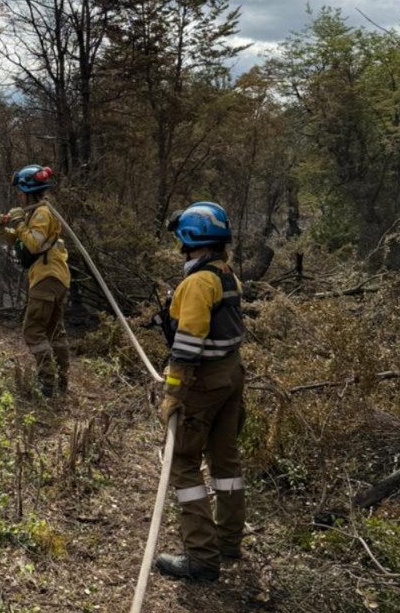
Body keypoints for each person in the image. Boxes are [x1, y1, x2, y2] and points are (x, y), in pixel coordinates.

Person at [154, 201, 246, 583]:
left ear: (192, 240)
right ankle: (228, 541)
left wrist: (174, 391)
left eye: (182, 242)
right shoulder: (227, 276)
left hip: (204, 380)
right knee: (225, 462)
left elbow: (188, 344)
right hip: (231, 374)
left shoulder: (196, 283)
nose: (181, 250)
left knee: (184, 463)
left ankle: (201, 557)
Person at [0, 165, 71, 397]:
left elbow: (33, 243)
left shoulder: (43, 213)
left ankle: (47, 383)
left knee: (33, 330)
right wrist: (0, 229)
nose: (18, 196)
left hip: (47, 277)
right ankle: (62, 380)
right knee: (55, 331)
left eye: (20, 192)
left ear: (27, 191)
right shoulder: (35, 214)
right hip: (55, 277)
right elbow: (18, 240)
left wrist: (18, 223)